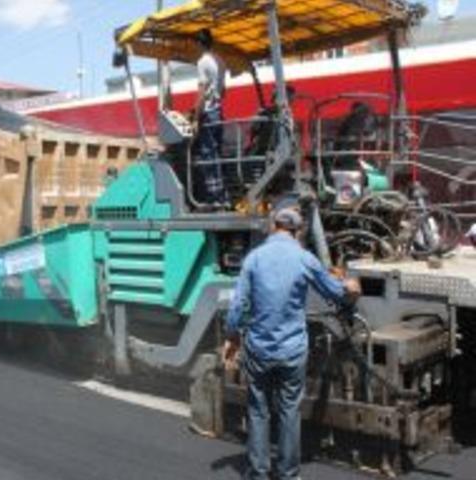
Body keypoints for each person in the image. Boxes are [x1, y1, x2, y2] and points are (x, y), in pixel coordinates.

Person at [222, 208, 361, 480]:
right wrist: (351, 287)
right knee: (288, 411)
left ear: (273, 226)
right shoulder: (304, 258)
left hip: (259, 349)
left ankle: (258, 472)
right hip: (292, 351)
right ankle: (288, 473)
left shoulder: (254, 259)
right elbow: (335, 293)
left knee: (258, 411)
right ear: (297, 231)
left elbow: (238, 305)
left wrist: (232, 337)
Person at [193, 28, 228, 205]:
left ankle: (213, 197)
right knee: (217, 153)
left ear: (199, 43)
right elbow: (224, 91)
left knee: (207, 154)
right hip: (219, 112)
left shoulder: (202, 62)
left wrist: (195, 116)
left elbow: (201, 91)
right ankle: (222, 195)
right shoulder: (220, 61)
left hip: (208, 113)